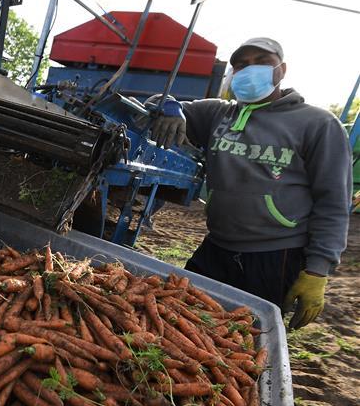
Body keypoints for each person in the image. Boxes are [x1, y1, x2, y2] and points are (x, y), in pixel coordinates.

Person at [151, 37, 352, 329]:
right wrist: (168, 106)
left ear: (281, 70)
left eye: (262, 61)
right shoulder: (218, 113)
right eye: (241, 64)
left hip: (274, 255)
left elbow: (333, 202)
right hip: (216, 247)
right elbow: (152, 104)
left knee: (244, 338)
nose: (250, 69)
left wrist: (317, 270)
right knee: (181, 323)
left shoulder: (317, 124)